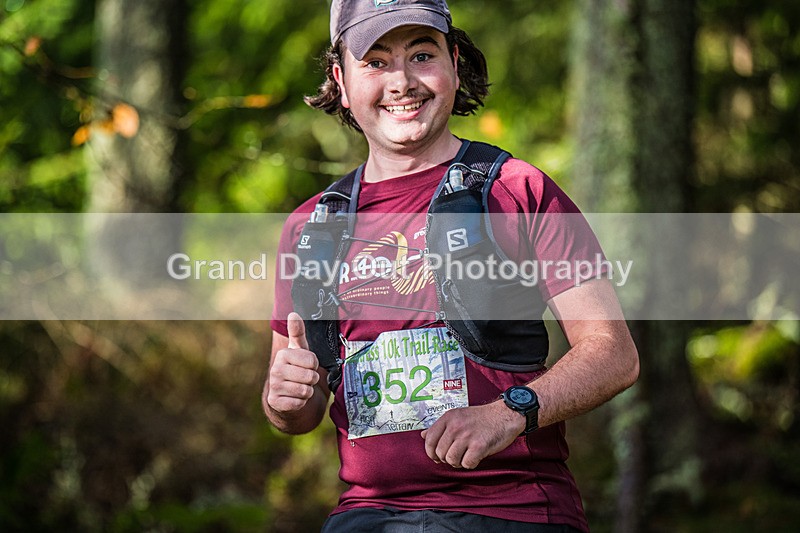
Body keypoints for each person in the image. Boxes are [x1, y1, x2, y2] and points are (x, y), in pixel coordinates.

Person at [263, 1, 639, 531]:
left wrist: (509, 412)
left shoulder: (516, 190)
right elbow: (296, 411)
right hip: (366, 515)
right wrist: (284, 400)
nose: (401, 81)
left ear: (455, 63)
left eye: (421, 54)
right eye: (374, 62)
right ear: (340, 82)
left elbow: (613, 354)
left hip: (513, 511)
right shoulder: (310, 227)